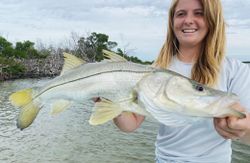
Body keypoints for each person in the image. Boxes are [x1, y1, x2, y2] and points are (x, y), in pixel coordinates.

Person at [113, 0, 250, 162]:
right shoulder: (156, 70)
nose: (188, 20)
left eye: (199, 13)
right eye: (181, 14)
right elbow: (130, 125)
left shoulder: (235, 70)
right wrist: (110, 99)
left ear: (213, 18)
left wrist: (241, 129)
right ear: (172, 22)